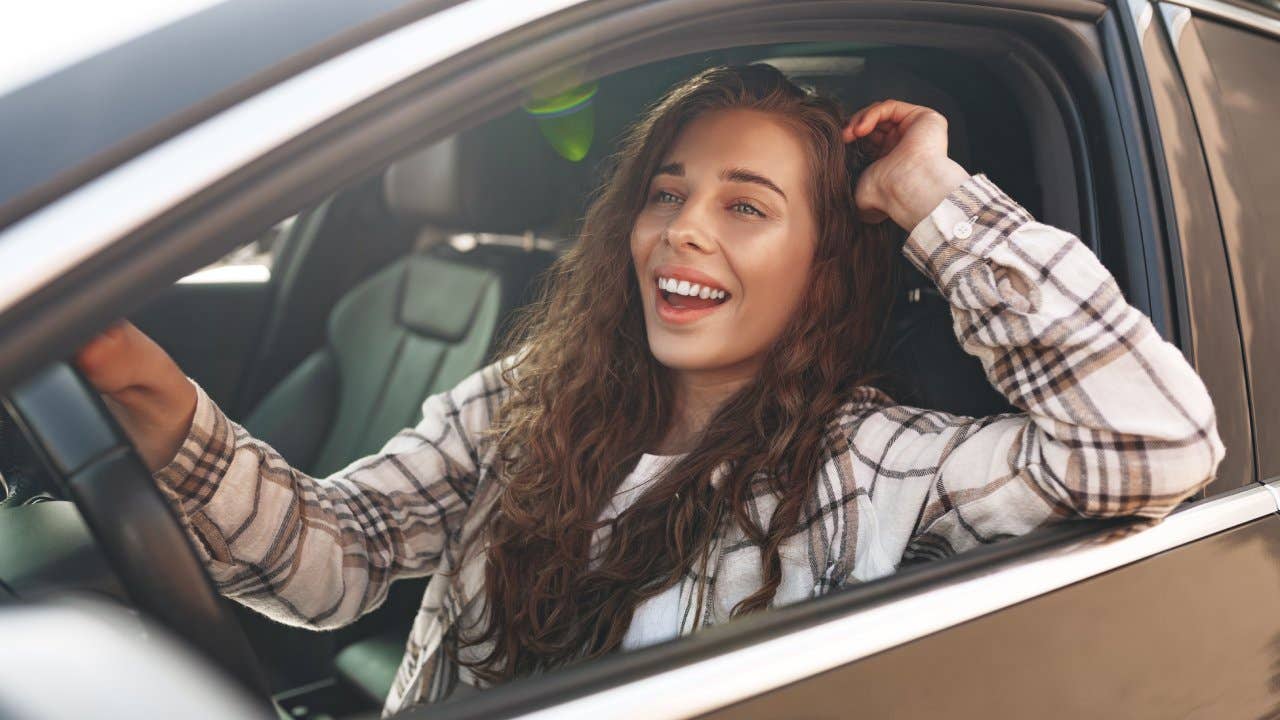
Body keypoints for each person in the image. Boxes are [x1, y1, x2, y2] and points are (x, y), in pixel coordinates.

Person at [74, 64, 1223, 715]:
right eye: (666, 192)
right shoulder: (538, 396)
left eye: (744, 205)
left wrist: (928, 196)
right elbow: (327, 564)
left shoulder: (880, 464)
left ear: (825, 262)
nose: (680, 230)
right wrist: (130, 375)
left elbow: (1156, 441)